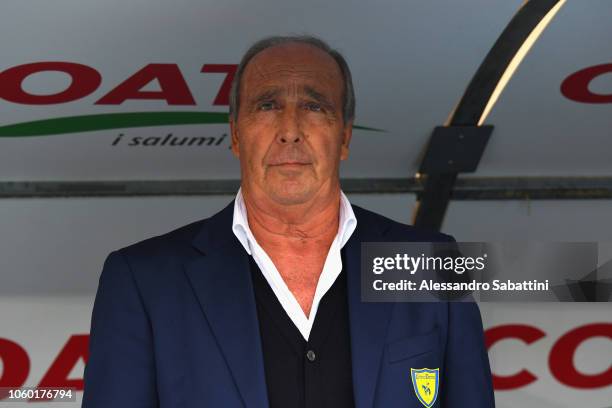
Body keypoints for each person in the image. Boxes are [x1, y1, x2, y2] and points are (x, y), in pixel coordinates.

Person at [82, 35, 494, 408]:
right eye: (267, 105)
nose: (290, 130)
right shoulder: (145, 279)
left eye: (314, 107)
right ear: (236, 135)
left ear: (345, 136)